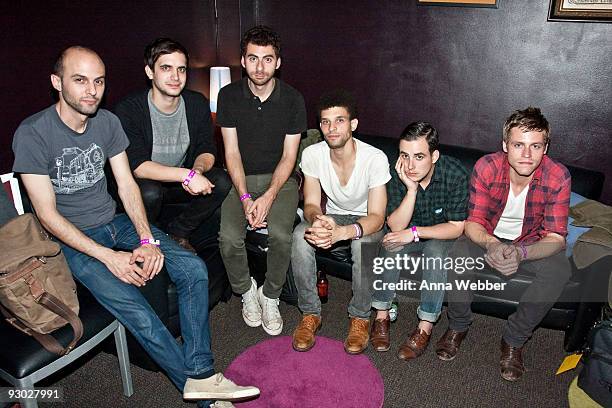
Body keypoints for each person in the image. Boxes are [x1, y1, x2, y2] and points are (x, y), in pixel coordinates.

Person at [11, 46, 259, 407]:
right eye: (79, 80)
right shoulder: (33, 133)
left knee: (192, 268)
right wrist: (110, 257)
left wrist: (145, 238)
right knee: (137, 309)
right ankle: (206, 397)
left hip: (115, 222)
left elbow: (127, 185)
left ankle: (202, 375)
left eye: (98, 81)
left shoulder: (107, 122)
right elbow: (47, 215)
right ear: (57, 83)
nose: (91, 90)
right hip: (71, 242)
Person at [436, 107, 572, 382]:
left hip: (532, 242)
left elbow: (556, 239)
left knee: (559, 270)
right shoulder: (487, 167)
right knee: (458, 253)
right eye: (518, 145)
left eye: (535, 146)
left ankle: (514, 339)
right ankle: (458, 324)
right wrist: (493, 245)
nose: (526, 154)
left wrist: (521, 253)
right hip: (487, 235)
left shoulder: (558, 176)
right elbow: (472, 222)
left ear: (545, 148)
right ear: (505, 145)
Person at [216, 26, 307, 336]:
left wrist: (267, 197)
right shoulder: (228, 96)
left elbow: (288, 157)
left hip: (280, 182)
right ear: (242, 61)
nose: (259, 67)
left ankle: (270, 295)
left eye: (267, 59)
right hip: (240, 178)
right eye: (252, 58)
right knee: (229, 238)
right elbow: (231, 153)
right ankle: (246, 290)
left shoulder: (293, 99)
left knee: (281, 235)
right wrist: (244, 198)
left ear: (277, 63)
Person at [291, 90, 390, 354]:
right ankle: (310, 313)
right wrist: (318, 221)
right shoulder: (313, 154)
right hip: (332, 215)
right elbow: (311, 203)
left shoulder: (375, 158)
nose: (331, 128)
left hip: (366, 221)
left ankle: (359, 317)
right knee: (301, 236)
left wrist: (344, 232)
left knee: (362, 245)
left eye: (339, 120)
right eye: (325, 122)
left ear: (353, 124)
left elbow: (378, 217)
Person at [114, 38, 231, 252]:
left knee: (221, 180)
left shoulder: (196, 103)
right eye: (166, 68)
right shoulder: (129, 109)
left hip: (179, 186)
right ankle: (150, 237)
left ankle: (179, 232)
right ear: (150, 72)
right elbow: (138, 166)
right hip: (145, 186)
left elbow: (207, 148)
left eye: (181, 69)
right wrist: (186, 175)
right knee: (150, 192)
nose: (175, 77)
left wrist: (197, 170)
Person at [372, 122, 469, 359]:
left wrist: (415, 232)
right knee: (391, 244)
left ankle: (425, 327)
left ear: (434, 156)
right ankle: (381, 316)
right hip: (409, 233)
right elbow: (395, 226)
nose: (411, 165)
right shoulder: (399, 173)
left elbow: (456, 228)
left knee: (435, 251)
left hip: (441, 236)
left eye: (419, 156)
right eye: (405, 156)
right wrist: (411, 190)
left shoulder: (454, 174)